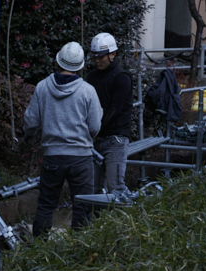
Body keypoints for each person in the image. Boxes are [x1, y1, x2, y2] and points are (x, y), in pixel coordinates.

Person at [24, 40, 102, 237]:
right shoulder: (87, 91)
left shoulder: (42, 87)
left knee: (46, 205)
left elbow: (31, 121)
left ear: (57, 62)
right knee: (83, 205)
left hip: (53, 157)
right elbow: (94, 126)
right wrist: (86, 139)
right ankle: (79, 251)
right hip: (81, 158)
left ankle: (39, 251)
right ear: (81, 66)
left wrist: (28, 137)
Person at [85, 31, 134, 198]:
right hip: (95, 138)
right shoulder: (90, 77)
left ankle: (123, 221)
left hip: (116, 139)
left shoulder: (121, 77)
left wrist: (93, 130)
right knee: (93, 187)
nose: (97, 60)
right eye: (94, 56)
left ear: (112, 54)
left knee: (115, 186)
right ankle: (95, 222)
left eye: (102, 56)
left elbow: (114, 109)